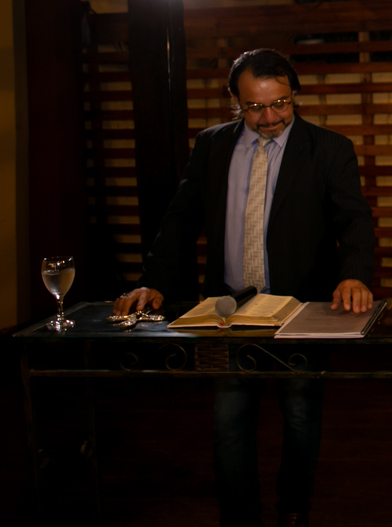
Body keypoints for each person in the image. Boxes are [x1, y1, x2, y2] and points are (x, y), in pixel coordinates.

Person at [113, 48, 376, 527]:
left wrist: (354, 273)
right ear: (234, 101)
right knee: (229, 420)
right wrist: (153, 281)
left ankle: (293, 510)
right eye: (255, 107)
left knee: (301, 416)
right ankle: (238, 519)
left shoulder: (329, 148)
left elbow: (353, 220)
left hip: (299, 311)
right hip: (227, 311)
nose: (270, 117)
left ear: (294, 95)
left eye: (280, 103)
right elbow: (180, 220)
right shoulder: (211, 145)